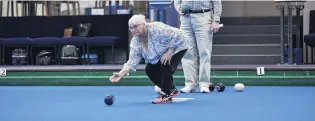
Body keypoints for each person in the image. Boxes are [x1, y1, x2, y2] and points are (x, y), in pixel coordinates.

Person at [109, 14, 189, 104]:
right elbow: (132, 62)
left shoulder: (157, 28)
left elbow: (180, 35)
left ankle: (166, 94)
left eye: (135, 26)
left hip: (179, 45)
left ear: (144, 24)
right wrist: (120, 74)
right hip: (161, 53)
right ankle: (171, 90)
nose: (133, 30)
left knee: (165, 62)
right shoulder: (135, 42)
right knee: (149, 69)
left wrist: (170, 52)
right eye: (131, 28)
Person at [174, 0, 222, 93]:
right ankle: (190, 84)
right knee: (187, 53)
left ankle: (204, 84)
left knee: (204, 53)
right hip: (185, 19)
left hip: (204, 17)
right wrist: (180, 10)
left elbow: (217, 2)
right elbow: (176, 1)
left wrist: (216, 20)